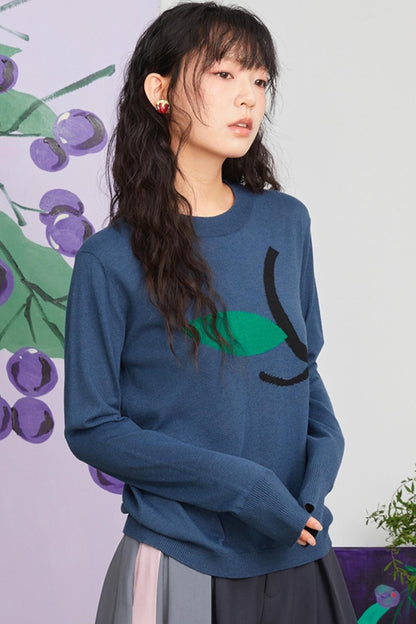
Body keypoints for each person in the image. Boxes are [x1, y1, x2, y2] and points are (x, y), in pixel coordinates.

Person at [64, 2, 357, 623]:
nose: (249, 98)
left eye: (260, 80)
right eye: (224, 74)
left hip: (300, 548)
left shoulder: (286, 222)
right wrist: (245, 489)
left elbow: (301, 369)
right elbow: (92, 426)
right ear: (160, 91)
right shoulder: (109, 259)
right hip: (181, 558)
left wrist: (319, 473)